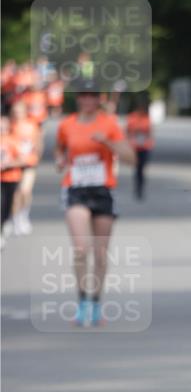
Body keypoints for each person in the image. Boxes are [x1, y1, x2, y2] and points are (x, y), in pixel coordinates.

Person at [55, 80, 135, 327]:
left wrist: (108, 143)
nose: (87, 100)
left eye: (92, 95)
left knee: (100, 253)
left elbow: (131, 158)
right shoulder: (66, 125)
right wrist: (60, 161)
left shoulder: (109, 124)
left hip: (102, 190)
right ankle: (81, 303)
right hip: (76, 189)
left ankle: (96, 303)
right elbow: (60, 150)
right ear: (78, 98)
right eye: (83, 95)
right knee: (81, 249)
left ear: (99, 98)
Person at [9, 98, 43, 235]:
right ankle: (15, 218)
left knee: (25, 191)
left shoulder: (32, 125)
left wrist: (37, 156)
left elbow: (38, 142)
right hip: (13, 165)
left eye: (20, 111)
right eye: (15, 112)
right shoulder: (9, 126)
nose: (17, 114)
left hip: (29, 162)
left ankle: (24, 215)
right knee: (16, 194)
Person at [1, 111, 25, 248]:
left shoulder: (14, 140)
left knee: (6, 205)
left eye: (3, 125)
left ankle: (5, 224)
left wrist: (8, 164)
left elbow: (22, 159)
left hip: (10, 177)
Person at [126, 97, 154, 199]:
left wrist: (150, 141)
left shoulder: (147, 118)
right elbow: (128, 131)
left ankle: (141, 187)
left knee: (142, 169)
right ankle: (137, 187)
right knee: (137, 169)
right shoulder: (132, 117)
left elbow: (150, 131)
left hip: (145, 147)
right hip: (135, 147)